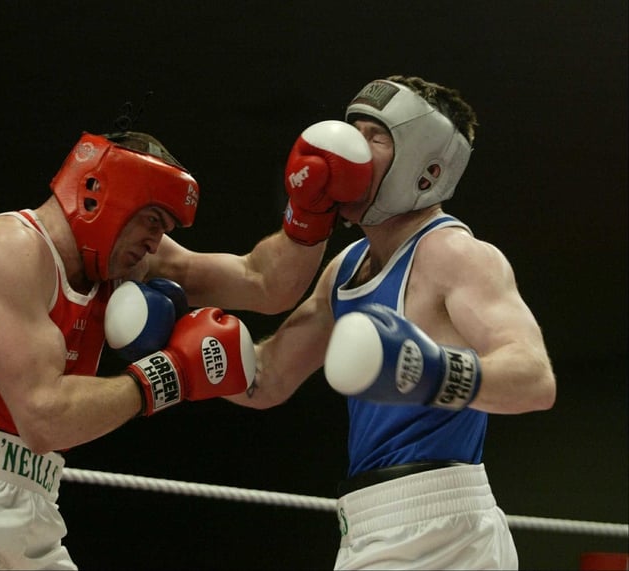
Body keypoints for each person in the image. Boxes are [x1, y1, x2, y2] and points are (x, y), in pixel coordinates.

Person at [0, 122, 373, 569]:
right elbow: (44, 418)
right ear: (98, 192)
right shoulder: (8, 249)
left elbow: (264, 284)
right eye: (152, 220)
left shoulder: (127, 257)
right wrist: (168, 375)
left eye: (165, 228)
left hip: (31, 498)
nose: (155, 242)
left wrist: (311, 209)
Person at [228, 75, 557, 570]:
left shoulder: (453, 253)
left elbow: (534, 379)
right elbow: (266, 379)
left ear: (424, 163)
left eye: (373, 136)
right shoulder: (344, 268)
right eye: (351, 129)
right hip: (367, 521)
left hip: (445, 526)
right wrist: (174, 347)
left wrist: (430, 371)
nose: (348, 149)